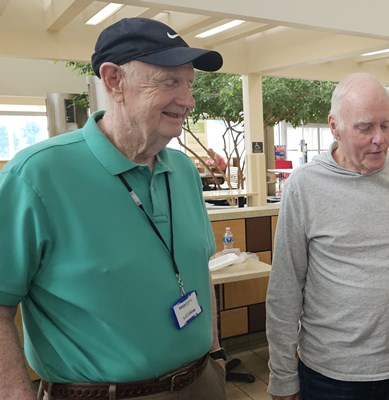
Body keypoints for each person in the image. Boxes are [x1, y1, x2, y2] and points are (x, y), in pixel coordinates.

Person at [0, 18, 227, 400]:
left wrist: (215, 352)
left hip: (201, 383)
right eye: (170, 82)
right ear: (113, 81)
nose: (188, 100)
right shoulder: (37, 175)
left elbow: (198, 269)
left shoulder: (184, 170)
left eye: (189, 83)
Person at [266, 73, 389, 400]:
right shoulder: (304, 187)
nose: (379, 139)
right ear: (334, 126)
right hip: (331, 373)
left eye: (386, 125)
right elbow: (285, 286)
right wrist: (282, 375)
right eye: (365, 127)